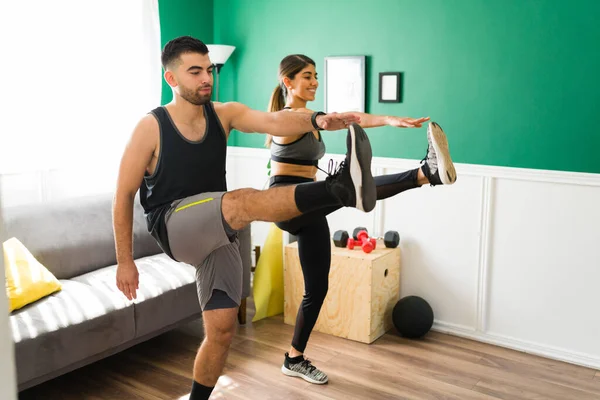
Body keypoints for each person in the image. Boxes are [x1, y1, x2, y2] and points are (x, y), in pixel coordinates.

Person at [112, 37, 378, 400]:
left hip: (216, 230)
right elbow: (123, 195)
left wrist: (317, 118)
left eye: (208, 70)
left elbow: (273, 119)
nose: (206, 78)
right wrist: (125, 262)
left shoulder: (224, 114)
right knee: (241, 201)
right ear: (171, 79)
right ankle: (340, 189)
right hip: (173, 224)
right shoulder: (152, 126)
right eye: (195, 72)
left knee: (222, 332)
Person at [266, 54, 457, 384]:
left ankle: (294, 358)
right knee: (347, 189)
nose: (314, 82)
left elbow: (348, 118)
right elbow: (337, 119)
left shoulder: (311, 118)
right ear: (288, 82)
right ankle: (425, 173)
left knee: (318, 288)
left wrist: (389, 119)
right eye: (307, 76)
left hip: (313, 205)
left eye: (316, 76)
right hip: (287, 200)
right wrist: (355, 121)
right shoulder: (287, 119)